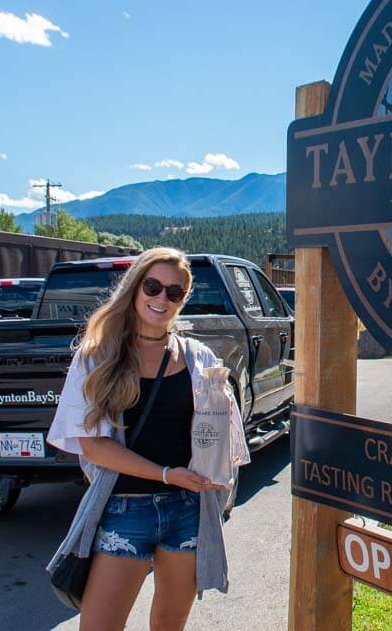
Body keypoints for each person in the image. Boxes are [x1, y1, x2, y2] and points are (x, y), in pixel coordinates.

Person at [46, 247, 250, 631]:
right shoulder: (98, 357)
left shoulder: (200, 359)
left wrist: (217, 476)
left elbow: (220, 439)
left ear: (183, 300)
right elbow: (93, 446)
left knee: (168, 626)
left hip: (187, 511)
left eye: (174, 293)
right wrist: (167, 474)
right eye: (153, 286)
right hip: (125, 510)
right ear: (135, 286)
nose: (161, 299)